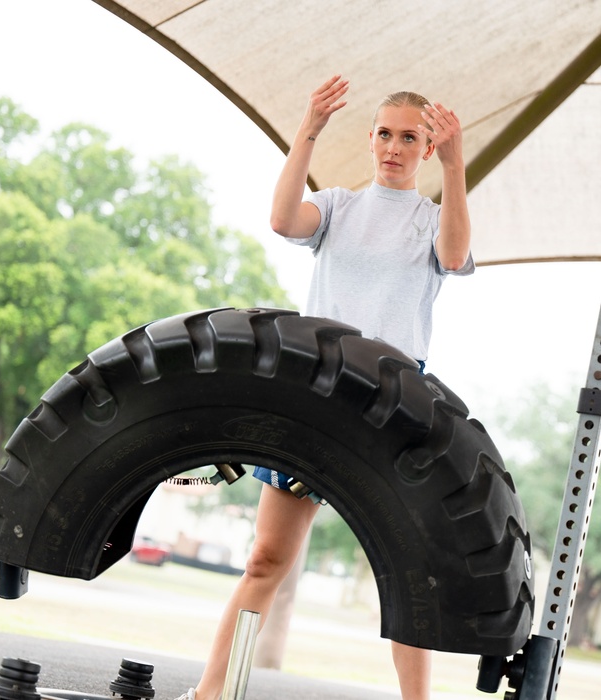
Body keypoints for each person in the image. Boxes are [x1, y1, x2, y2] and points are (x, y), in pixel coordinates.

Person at [174, 74, 474, 700]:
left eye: (410, 137)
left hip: (392, 407)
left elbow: (453, 257)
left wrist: (455, 166)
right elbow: (283, 219)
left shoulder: (433, 220)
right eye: (385, 134)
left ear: (426, 147)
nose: (394, 146)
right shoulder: (337, 207)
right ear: (370, 139)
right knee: (265, 561)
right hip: (318, 392)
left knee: (409, 575)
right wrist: (308, 128)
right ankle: (212, 693)